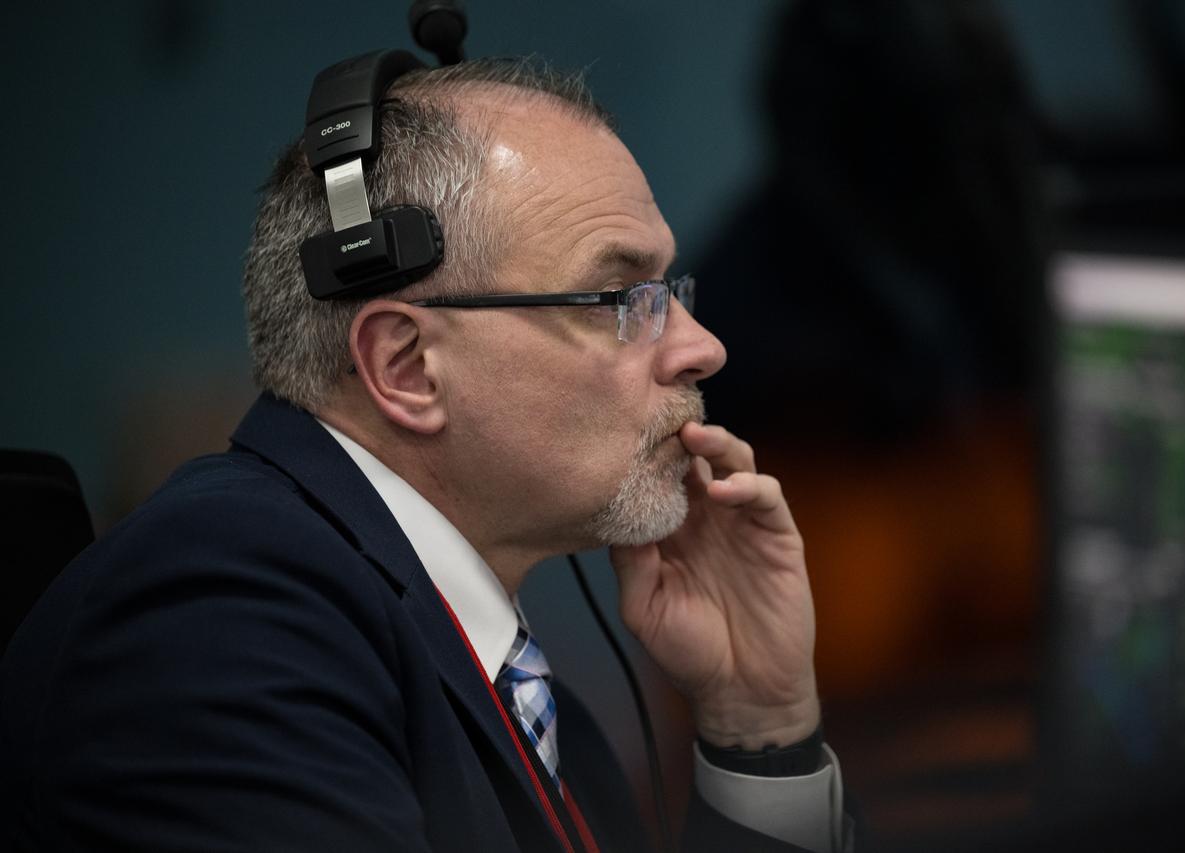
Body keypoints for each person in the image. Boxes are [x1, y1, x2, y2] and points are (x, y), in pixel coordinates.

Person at [0, 59, 852, 852]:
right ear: (406, 367)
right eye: (622, 297)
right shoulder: (218, 607)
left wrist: (756, 726)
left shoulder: (539, 710)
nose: (701, 348)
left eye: (673, 293)